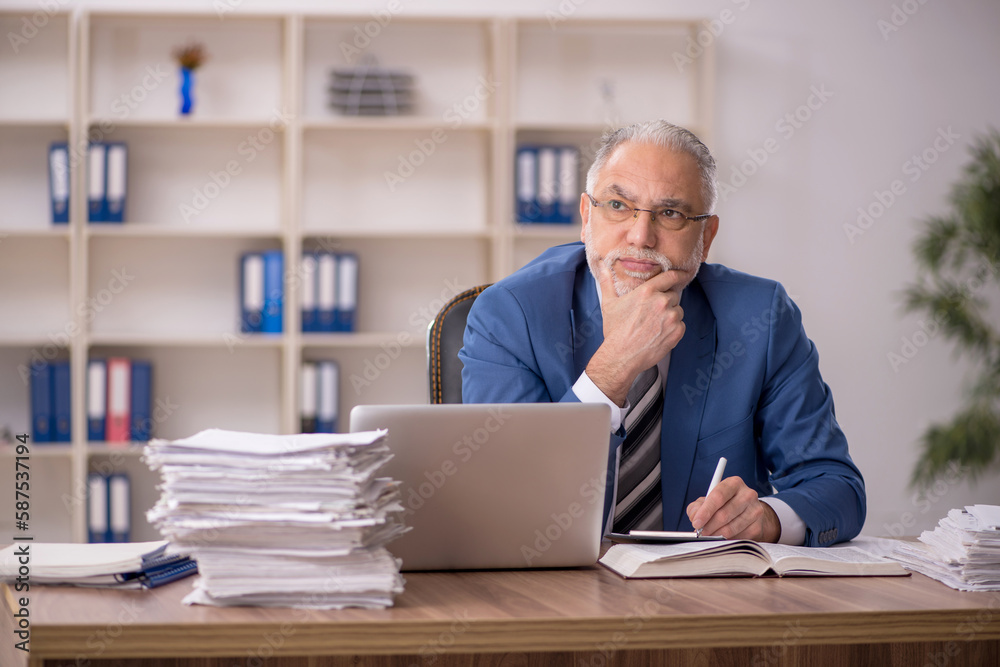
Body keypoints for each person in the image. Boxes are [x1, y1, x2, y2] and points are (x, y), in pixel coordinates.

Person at [459, 120, 865, 546]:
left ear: (706, 237)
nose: (640, 236)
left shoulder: (761, 317)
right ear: (585, 218)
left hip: (707, 596)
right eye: (618, 205)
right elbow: (507, 504)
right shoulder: (510, 315)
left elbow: (836, 486)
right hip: (556, 593)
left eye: (670, 213)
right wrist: (613, 366)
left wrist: (770, 518)